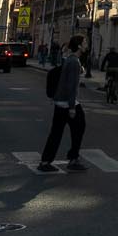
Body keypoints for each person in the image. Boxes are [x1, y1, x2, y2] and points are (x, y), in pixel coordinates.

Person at [38, 35, 88, 172]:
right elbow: (71, 86)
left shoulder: (71, 60)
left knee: (56, 132)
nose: (86, 44)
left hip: (61, 102)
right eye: (84, 42)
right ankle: (73, 159)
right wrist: (72, 107)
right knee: (79, 128)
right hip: (68, 104)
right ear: (79, 46)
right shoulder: (74, 62)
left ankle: (45, 161)